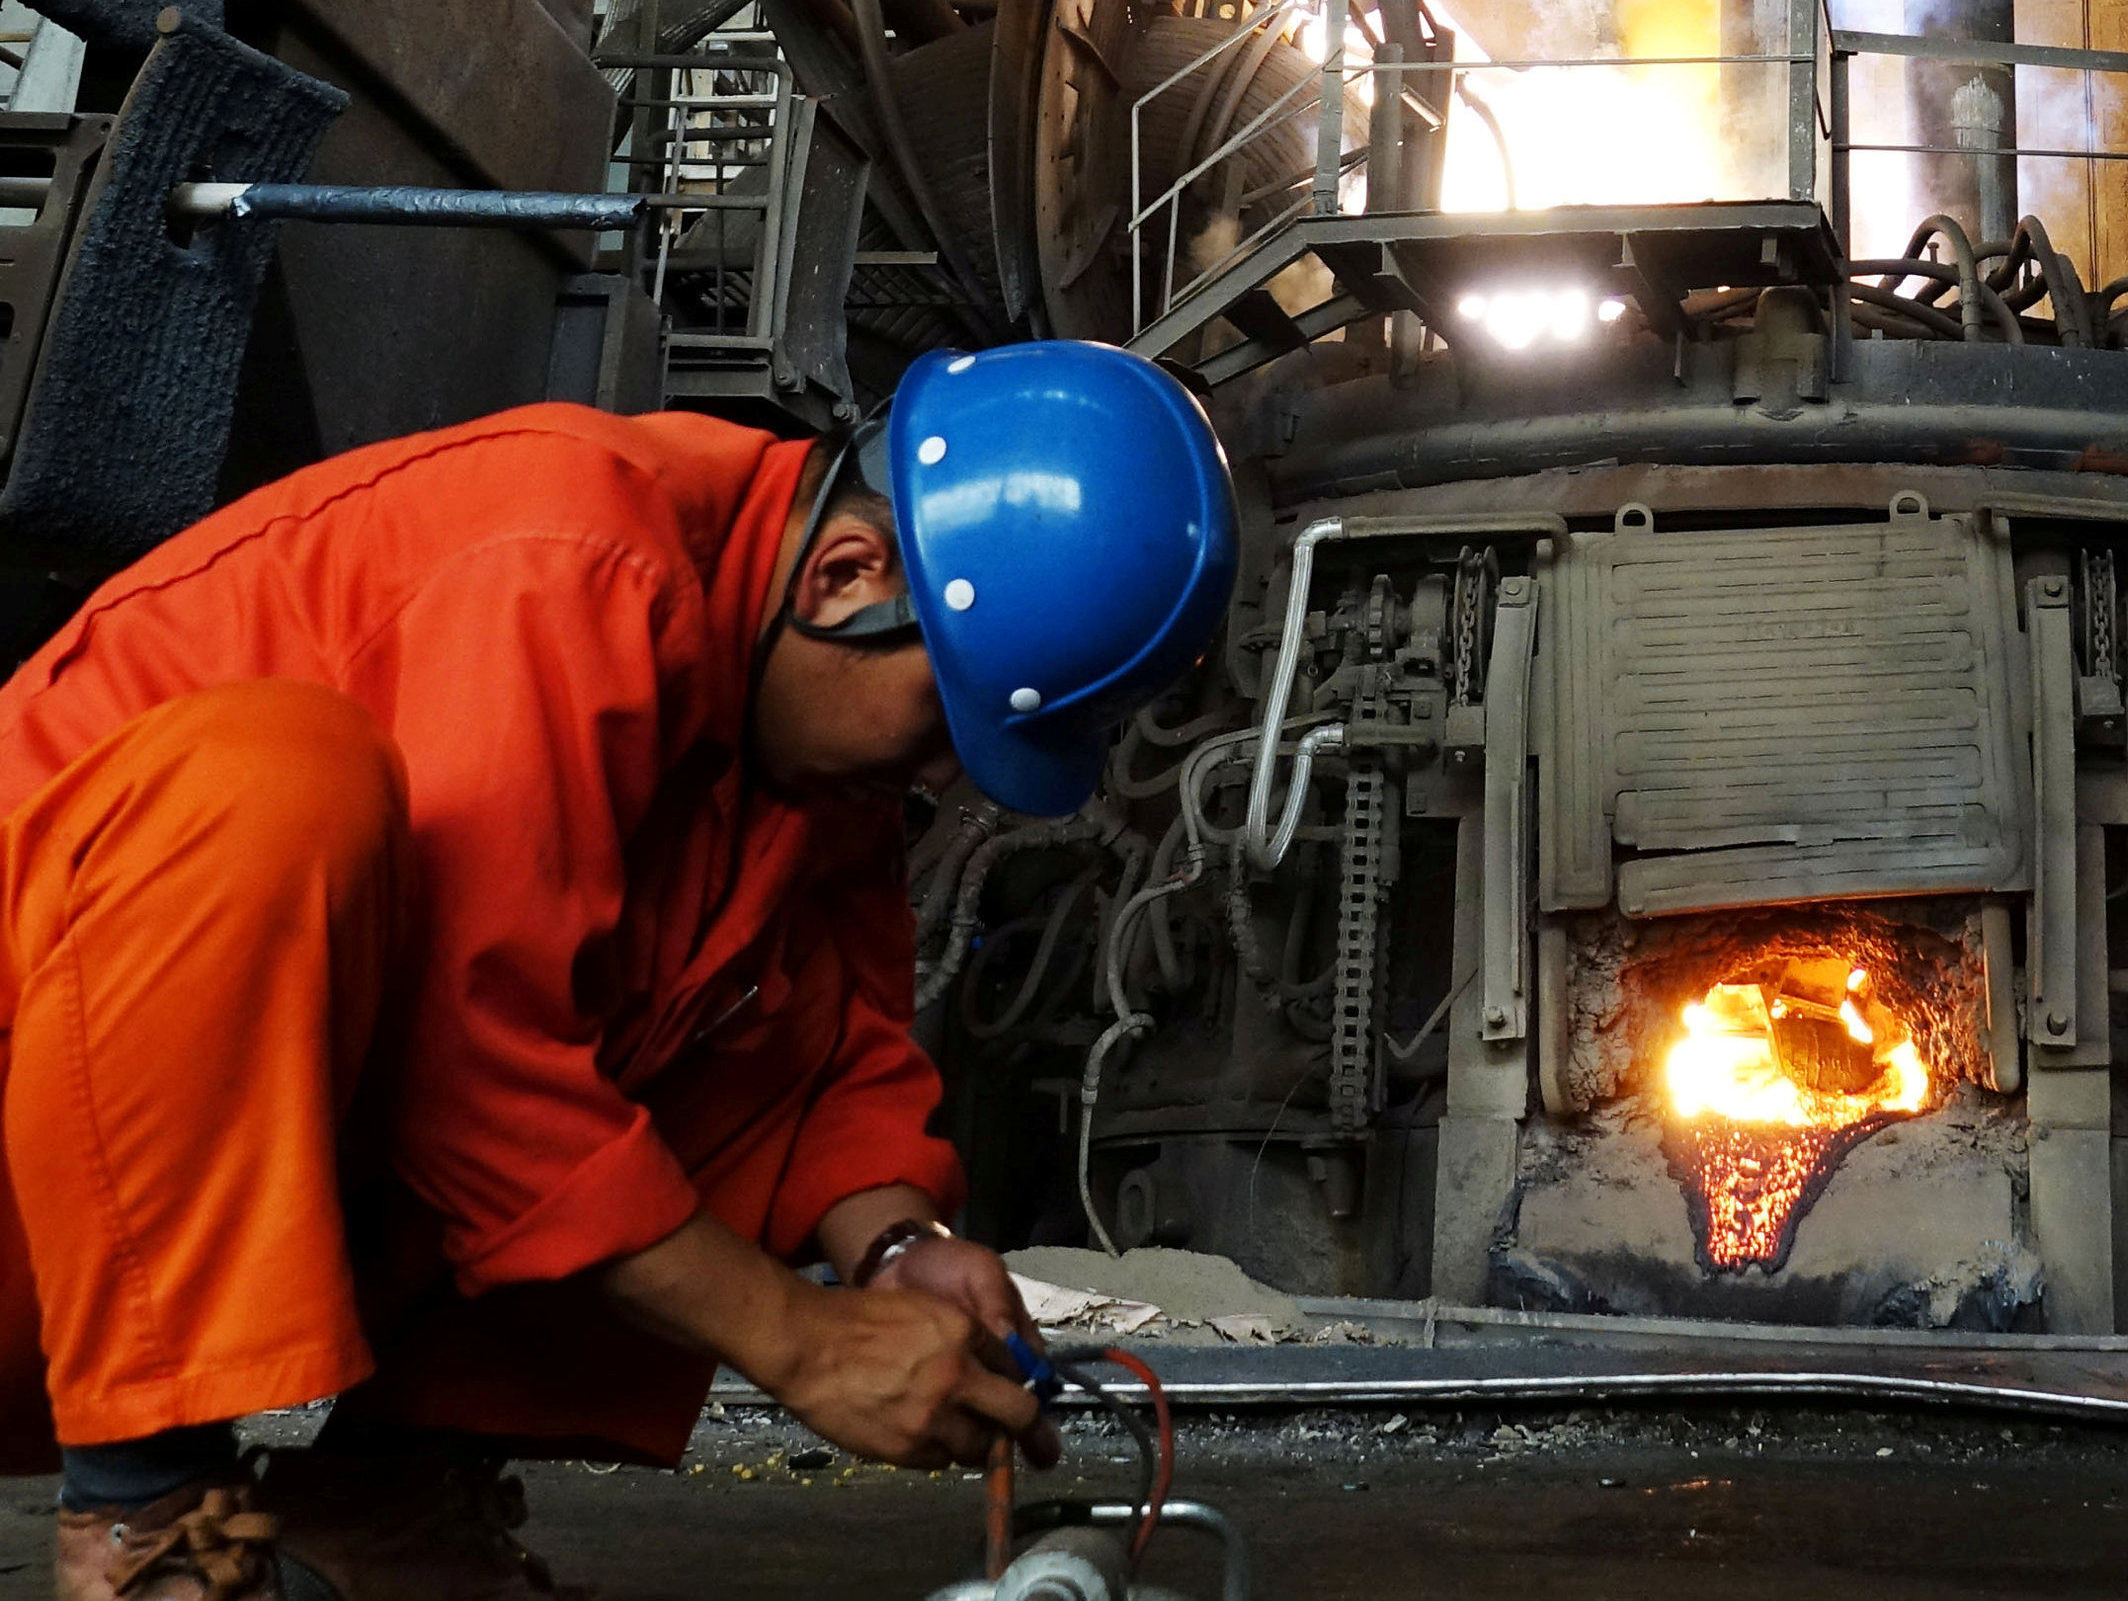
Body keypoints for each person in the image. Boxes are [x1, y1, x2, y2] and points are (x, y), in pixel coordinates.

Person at [0, 341, 1237, 1601]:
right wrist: (799, 1340)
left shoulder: (779, 704)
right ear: (846, 573)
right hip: (34, 1181)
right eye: (947, 724)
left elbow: (832, 1035)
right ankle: (148, 1523)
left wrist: (893, 1244)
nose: (941, 778)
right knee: (267, 788)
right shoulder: (559, 557)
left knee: (703, 963)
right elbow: (470, 1059)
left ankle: (386, 1503)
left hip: (172, 1181)